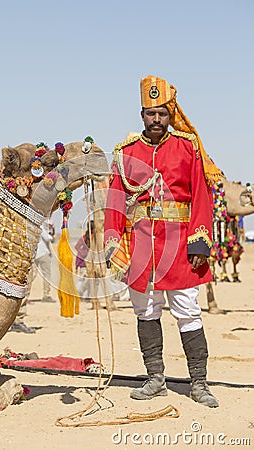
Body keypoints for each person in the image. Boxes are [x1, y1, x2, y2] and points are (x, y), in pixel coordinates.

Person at [104, 75, 223, 407]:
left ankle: (199, 383)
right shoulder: (125, 153)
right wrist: (112, 241)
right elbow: (115, 199)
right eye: (150, 113)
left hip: (182, 243)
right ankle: (155, 379)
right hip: (142, 246)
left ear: (170, 115)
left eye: (162, 114)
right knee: (145, 312)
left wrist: (200, 241)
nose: (156, 120)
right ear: (141, 114)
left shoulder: (187, 147)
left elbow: (202, 194)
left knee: (188, 312)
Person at [9, 221, 55, 333]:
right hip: (29, 258)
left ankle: (15, 320)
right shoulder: (34, 226)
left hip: (29, 257)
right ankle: (17, 321)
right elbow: (48, 238)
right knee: (24, 289)